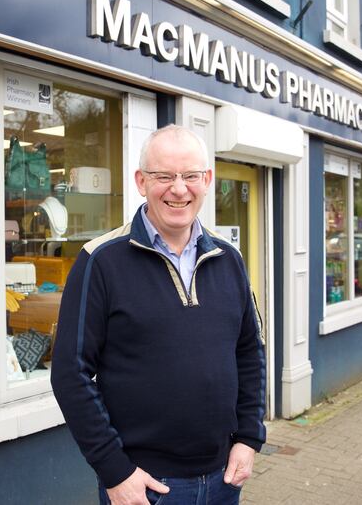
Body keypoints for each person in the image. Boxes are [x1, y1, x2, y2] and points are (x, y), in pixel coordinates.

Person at [51, 124, 266, 505]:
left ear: (207, 180)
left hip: (224, 479)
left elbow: (249, 352)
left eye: (190, 176)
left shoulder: (228, 259)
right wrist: (115, 471)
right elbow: (70, 372)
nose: (178, 189)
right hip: (145, 485)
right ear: (141, 181)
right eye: (164, 176)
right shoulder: (100, 261)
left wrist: (249, 438)